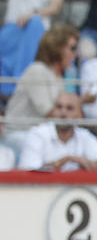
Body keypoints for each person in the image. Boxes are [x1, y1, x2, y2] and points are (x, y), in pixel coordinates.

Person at [2, 22, 76, 155]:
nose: (74, 54)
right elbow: (48, 112)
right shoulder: (37, 70)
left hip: (44, 136)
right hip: (21, 134)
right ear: (57, 48)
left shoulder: (59, 77)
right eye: (71, 48)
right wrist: (78, 105)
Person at [17, 91, 97, 172]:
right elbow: (28, 171)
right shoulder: (37, 134)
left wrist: (84, 163)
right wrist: (63, 161)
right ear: (53, 111)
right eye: (59, 107)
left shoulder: (83, 135)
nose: (63, 113)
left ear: (79, 115)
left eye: (69, 108)